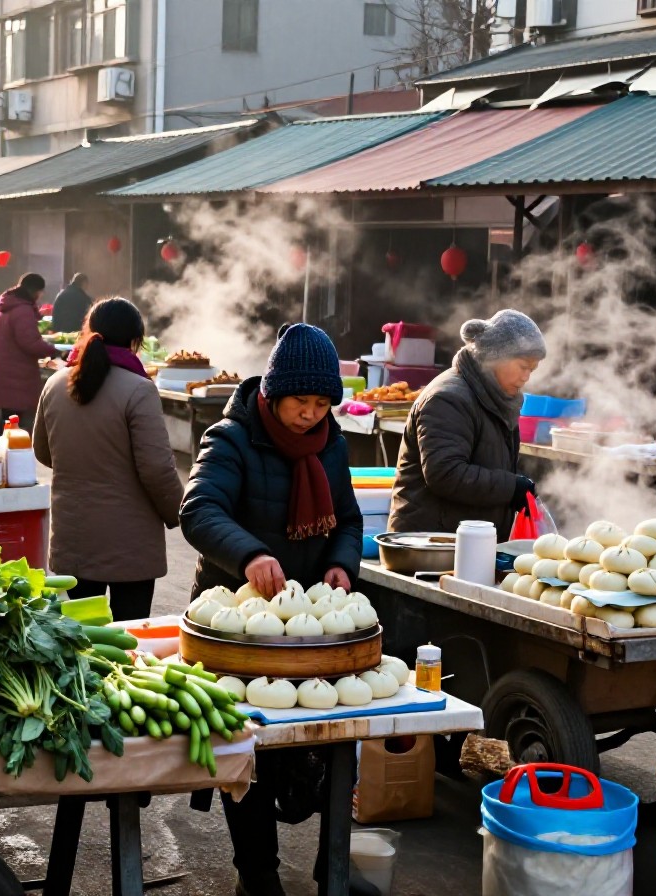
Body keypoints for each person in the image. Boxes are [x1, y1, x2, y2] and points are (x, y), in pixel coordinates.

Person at [180, 323, 364, 896]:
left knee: (334, 741)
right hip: (240, 620)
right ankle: (256, 873)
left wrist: (340, 564)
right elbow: (199, 509)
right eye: (301, 402)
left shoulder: (330, 442)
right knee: (249, 750)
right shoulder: (231, 437)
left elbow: (348, 517)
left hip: (308, 618)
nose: (311, 414)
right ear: (274, 393)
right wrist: (250, 554)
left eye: (321, 403)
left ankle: (331, 868)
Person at [35, 298, 181, 619]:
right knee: (127, 643)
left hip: (73, 536)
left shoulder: (55, 384)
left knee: (82, 638)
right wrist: (179, 512)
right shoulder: (139, 389)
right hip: (130, 545)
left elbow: (43, 452)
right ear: (135, 341)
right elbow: (157, 469)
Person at [389, 310, 545, 540]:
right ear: (496, 356)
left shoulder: (498, 398)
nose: (526, 377)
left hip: (467, 541)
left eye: (532, 370)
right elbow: (445, 473)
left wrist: (517, 486)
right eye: (523, 366)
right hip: (429, 543)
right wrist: (511, 487)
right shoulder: (448, 399)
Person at [0, 272, 59, 432]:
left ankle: (5, 453)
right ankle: (16, 455)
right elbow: (30, 343)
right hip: (19, 375)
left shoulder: (7, 307)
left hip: (6, 373)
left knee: (7, 421)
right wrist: (53, 351)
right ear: (35, 291)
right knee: (21, 425)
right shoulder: (22, 310)